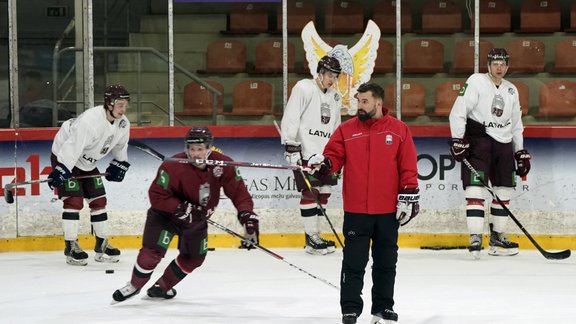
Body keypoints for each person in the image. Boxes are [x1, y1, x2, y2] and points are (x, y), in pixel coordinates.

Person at [308, 83, 419, 324]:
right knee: (353, 263)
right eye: (358, 101)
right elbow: (334, 158)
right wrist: (325, 164)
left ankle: (383, 307)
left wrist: (409, 196)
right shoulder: (347, 130)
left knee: (386, 263)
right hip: (357, 210)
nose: (359, 105)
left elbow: (408, 167)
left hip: (388, 211)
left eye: (365, 101)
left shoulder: (400, 130)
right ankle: (350, 309)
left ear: (378, 103)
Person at [111, 126, 259, 303]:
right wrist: (180, 208)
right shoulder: (171, 165)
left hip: (196, 220)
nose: (195, 153)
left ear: (209, 148)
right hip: (165, 216)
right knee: (151, 253)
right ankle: (134, 286)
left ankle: (162, 287)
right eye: (192, 149)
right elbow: (157, 195)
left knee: (194, 258)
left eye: (200, 149)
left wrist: (247, 216)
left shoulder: (223, 165)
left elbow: (239, 194)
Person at [448, 48, 531, 259]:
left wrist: (519, 150)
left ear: (507, 65)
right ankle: (475, 237)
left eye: (503, 64)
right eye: (495, 63)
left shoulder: (512, 90)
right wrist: (458, 138)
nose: (499, 67)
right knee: (475, 190)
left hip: (503, 145)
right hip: (479, 142)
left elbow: (516, 125)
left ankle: (497, 238)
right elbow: (458, 112)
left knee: (504, 190)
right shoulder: (476, 81)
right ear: (488, 65)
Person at [48, 84, 131, 266]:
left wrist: (120, 163)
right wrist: (61, 169)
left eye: (125, 105)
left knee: (99, 200)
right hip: (65, 155)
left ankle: (102, 244)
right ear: (109, 103)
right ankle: (70, 246)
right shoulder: (90, 121)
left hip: (87, 162)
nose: (123, 109)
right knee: (74, 201)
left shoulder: (123, 123)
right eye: (119, 105)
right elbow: (72, 147)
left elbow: (120, 147)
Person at [280, 55, 343, 255]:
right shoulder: (303, 88)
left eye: (335, 76)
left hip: (325, 154)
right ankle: (311, 238)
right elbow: (291, 116)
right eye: (329, 75)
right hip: (305, 151)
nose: (332, 79)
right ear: (320, 72)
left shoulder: (335, 96)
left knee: (325, 192)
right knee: (311, 192)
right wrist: (290, 145)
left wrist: (337, 153)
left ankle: (315, 235)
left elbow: (336, 126)